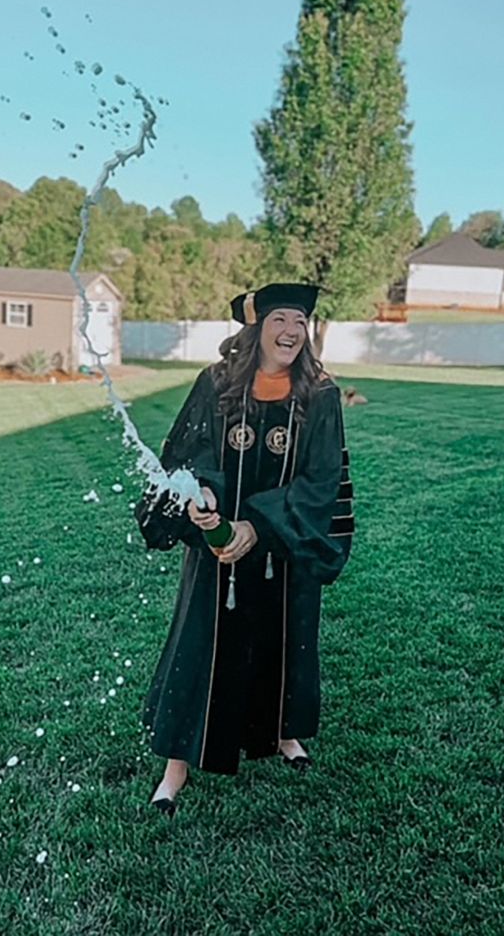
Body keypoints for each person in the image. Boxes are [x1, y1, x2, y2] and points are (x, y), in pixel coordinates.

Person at [134, 283, 354, 816]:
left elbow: (322, 480)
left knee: (284, 639)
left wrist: (257, 524)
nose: (292, 332)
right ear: (256, 328)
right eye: (280, 319)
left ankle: (284, 734)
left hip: (283, 542)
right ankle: (176, 767)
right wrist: (200, 495)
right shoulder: (215, 385)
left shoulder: (319, 395)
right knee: (202, 644)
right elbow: (190, 450)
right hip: (219, 549)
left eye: (300, 322)